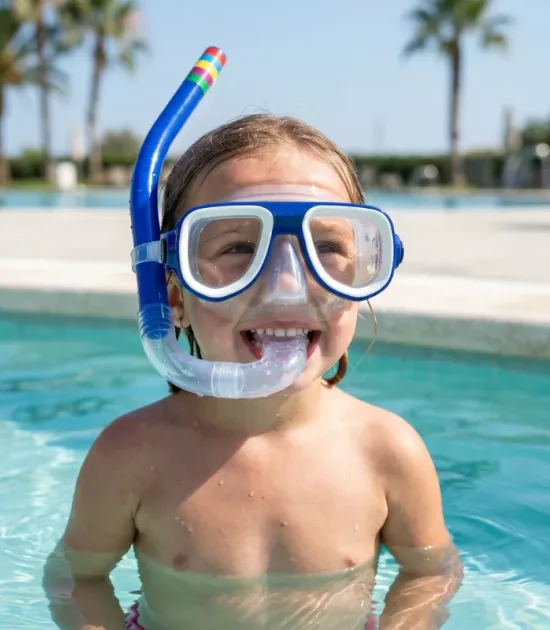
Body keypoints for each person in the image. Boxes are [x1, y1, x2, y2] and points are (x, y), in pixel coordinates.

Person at [43, 112, 462, 630]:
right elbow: (75, 578)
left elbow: (431, 573)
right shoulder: (131, 454)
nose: (287, 284)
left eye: (327, 247)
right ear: (174, 296)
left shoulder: (387, 451)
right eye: (240, 248)